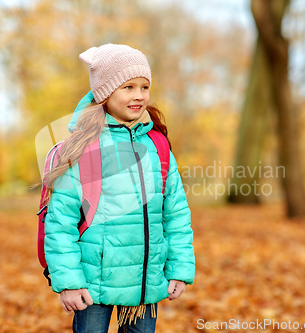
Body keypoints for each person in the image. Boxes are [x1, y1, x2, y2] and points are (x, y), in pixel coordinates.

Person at [42, 43, 195, 333]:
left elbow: (176, 214)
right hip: (93, 285)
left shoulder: (157, 145)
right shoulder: (83, 147)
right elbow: (60, 223)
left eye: (144, 87)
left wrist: (179, 269)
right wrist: (70, 283)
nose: (139, 95)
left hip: (143, 284)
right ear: (104, 93)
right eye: (128, 87)